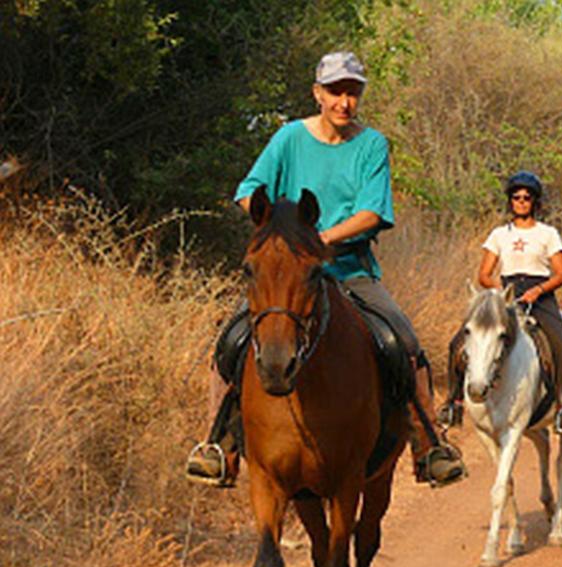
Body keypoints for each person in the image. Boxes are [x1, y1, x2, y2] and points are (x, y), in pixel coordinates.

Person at [186, 50, 466, 488]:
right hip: (286, 278)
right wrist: (277, 229)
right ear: (318, 93)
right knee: (231, 340)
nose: (344, 101)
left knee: (403, 341)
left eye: (352, 92)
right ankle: (219, 446)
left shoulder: (371, 144)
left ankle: (429, 444)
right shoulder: (287, 139)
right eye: (335, 91)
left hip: (351, 271)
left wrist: (321, 241)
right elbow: (248, 192)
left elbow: (372, 213)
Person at [439, 171, 562, 435]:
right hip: (505, 294)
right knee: (459, 341)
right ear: (510, 201)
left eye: (526, 198)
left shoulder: (548, 233)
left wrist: (538, 290)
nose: (521, 202)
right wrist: (499, 291)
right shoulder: (498, 235)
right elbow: (483, 274)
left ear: (535, 202)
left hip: (540, 294)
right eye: (516, 197)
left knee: (561, 343)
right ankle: (453, 403)